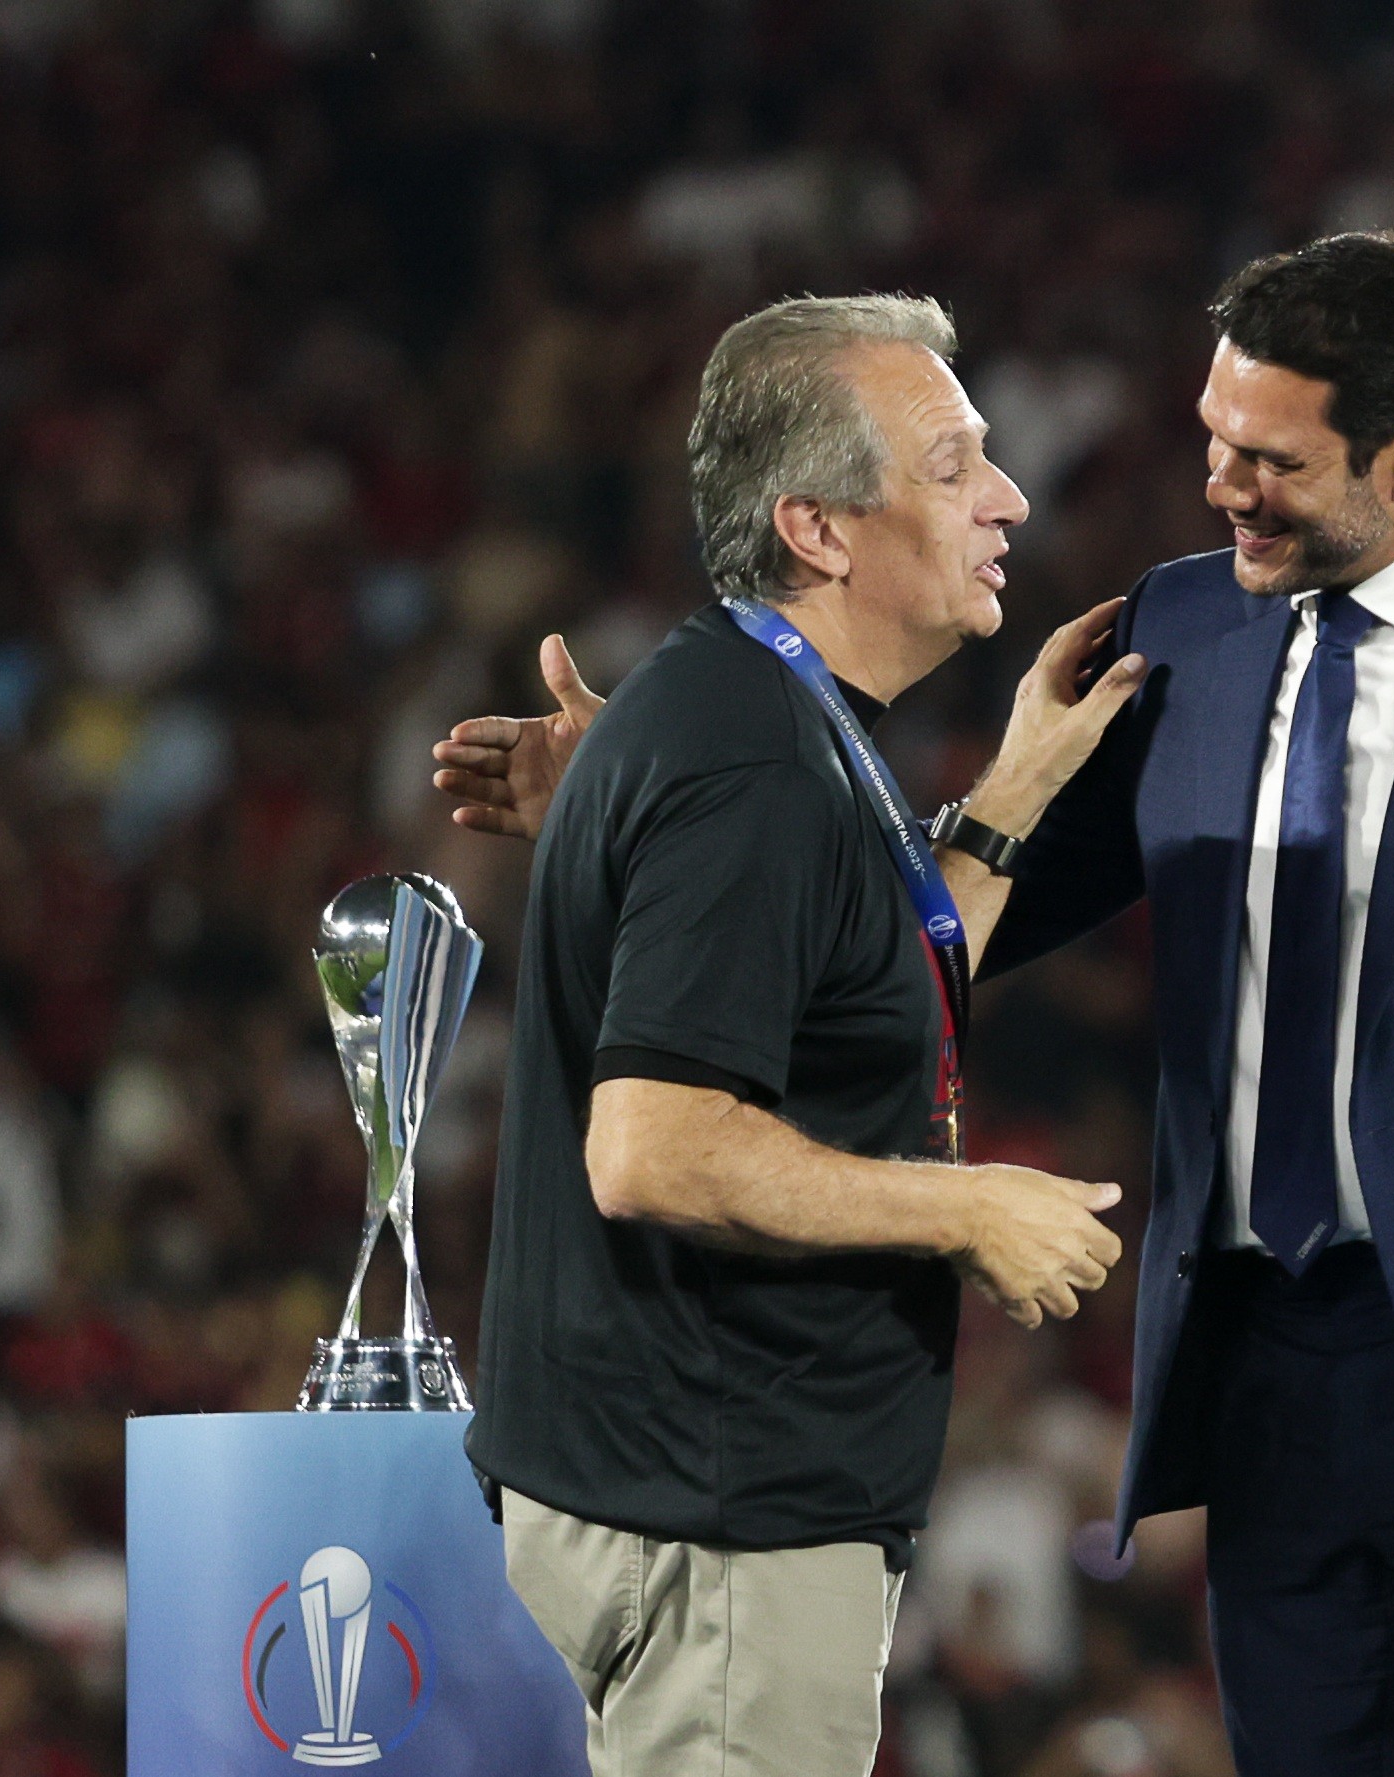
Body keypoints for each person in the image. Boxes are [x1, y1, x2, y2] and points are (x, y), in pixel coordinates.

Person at [441, 233, 1394, 1775]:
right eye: (1211, 441)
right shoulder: (1187, 627)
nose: (1220, 485)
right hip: (1267, 1389)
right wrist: (661, 787)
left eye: (1269, 457)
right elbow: (922, 928)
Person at [458, 293, 1146, 1777]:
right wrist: (966, 1205)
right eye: (954, 464)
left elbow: (873, 974)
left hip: (686, 1504)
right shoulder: (755, 760)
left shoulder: (754, 710)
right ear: (819, 529)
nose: (1008, 495)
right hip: (715, 1531)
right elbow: (651, 1148)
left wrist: (1016, 791)